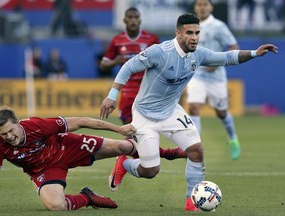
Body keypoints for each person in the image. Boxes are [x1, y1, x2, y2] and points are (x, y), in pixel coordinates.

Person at [100, 13, 278, 211]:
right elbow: (128, 67)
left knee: (196, 151)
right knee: (150, 171)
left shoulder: (198, 54)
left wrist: (255, 53)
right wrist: (111, 96)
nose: (194, 37)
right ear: (178, 33)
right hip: (145, 115)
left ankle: (191, 202)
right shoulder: (159, 52)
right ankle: (124, 164)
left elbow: (226, 58)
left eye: (197, 33)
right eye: (189, 33)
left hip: (171, 111)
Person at [0, 106, 137, 211]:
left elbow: (81, 121)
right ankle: (87, 197)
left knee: (122, 147)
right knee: (56, 205)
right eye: (4, 134)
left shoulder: (36, 125)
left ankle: (153, 154)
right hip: (44, 169)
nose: (9, 136)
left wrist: (119, 129)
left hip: (67, 148)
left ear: (18, 123)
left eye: (11, 131)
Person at [100, 7, 186, 168]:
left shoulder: (151, 38)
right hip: (127, 91)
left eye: (136, 17)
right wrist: (114, 61)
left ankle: (129, 162)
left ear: (140, 20)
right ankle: (166, 153)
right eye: (130, 17)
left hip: (148, 91)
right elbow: (103, 64)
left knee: (142, 132)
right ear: (125, 20)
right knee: (134, 133)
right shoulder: (117, 40)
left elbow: (165, 58)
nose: (133, 20)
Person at [186, 0, 241, 160]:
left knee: (221, 112)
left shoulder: (218, 26)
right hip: (196, 75)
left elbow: (234, 47)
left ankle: (233, 139)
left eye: (205, 4)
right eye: (199, 4)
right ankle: (195, 146)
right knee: (194, 107)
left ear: (211, 7)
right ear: (195, 7)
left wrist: (217, 64)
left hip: (216, 78)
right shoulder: (190, 26)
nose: (202, 7)